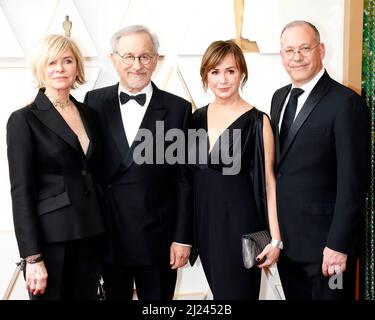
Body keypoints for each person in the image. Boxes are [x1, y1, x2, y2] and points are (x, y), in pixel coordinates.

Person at [84, 25, 193, 300]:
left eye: (145, 56)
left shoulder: (179, 108)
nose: (137, 65)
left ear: (156, 60)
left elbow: (183, 179)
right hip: (109, 234)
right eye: (128, 57)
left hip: (158, 238)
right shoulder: (93, 102)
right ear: (113, 59)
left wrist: (182, 237)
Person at [270, 20, 370, 300]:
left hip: (328, 250)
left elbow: (354, 183)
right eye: (289, 50)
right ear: (281, 56)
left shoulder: (346, 103)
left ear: (321, 50)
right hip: (288, 246)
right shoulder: (279, 98)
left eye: (304, 48)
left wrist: (338, 244)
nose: (296, 57)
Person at [6, 34, 105, 300]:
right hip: (51, 242)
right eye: (51, 63)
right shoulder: (23, 120)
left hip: (91, 234)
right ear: (41, 68)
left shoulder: (89, 113)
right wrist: (32, 257)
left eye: (67, 61)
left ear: (77, 67)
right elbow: (21, 193)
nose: (60, 69)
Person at [189, 40, 282, 299]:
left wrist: (275, 239)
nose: (223, 80)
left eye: (230, 71)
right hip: (206, 227)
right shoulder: (195, 118)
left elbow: (269, 183)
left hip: (243, 228)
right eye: (214, 72)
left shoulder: (258, 121)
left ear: (242, 73)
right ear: (205, 75)